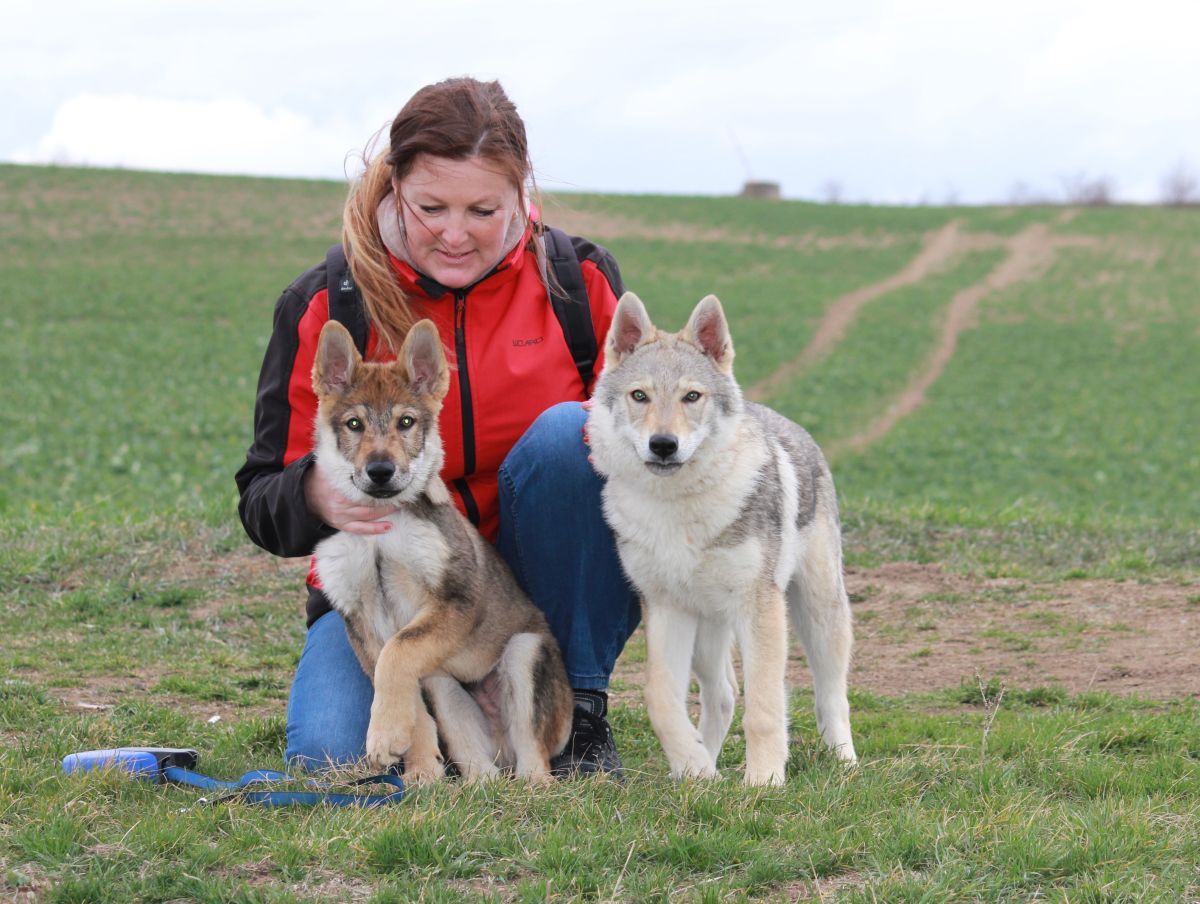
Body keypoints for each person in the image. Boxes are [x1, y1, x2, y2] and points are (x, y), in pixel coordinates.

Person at [235, 77, 640, 777]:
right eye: (431, 208)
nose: (456, 234)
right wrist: (314, 496)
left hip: (530, 582)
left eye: (483, 209)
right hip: (386, 586)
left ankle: (575, 704)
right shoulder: (325, 301)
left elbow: (651, 444)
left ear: (521, 193)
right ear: (394, 190)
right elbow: (258, 495)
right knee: (330, 754)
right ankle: (456, 728)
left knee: (569, 438)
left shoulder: (579, 283)